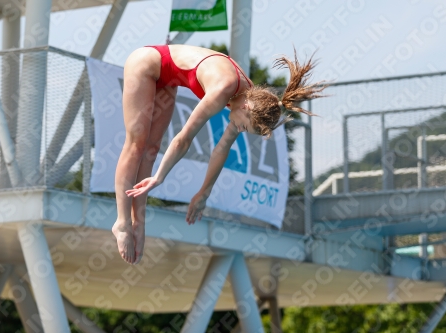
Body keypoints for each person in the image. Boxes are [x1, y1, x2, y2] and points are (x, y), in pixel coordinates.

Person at [112, 44, 325, 264]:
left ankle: (139, 222)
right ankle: (121, 222)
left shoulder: (245, 98)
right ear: (247, 109)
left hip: (167, 78)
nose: (239, 130)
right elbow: (183, 139)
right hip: (146, 63)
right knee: (137, 144)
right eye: (244, 127)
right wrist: (159, 177)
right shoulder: (224, 89)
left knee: (152, 149)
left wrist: (204, 192)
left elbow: (222, 148)